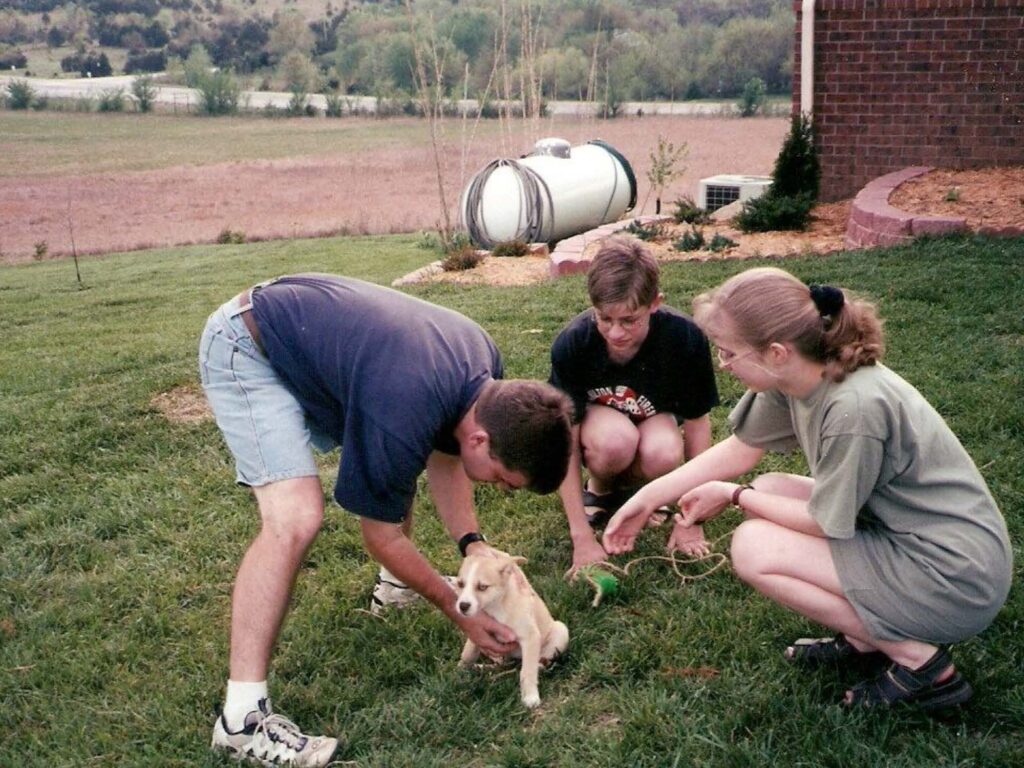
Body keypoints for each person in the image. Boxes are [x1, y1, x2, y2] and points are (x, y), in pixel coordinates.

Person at [199, 274, 573, 765]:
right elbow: (381, 534)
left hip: (308, 333)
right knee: (295, 517)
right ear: (483, 441)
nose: (501, 489)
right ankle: (241, 722)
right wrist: (454, 608)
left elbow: (445, 454)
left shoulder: (485, 375)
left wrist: (471, 544)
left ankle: (393, 592)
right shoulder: (405, 402)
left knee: (400, 456)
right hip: (246, 344)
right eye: (506, 480)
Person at [603, 266, 1011, 709]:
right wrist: (646, 498)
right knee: (771, 484)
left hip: (953, 576)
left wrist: (735, 494)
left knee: (754, 546)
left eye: (729, 353)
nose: (723, 364)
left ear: (776, 352)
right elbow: (742, 451)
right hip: (909, 540)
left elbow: (824, 523)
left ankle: (924, 666)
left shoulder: (854, 407)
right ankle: (865, 641)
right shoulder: (797, 376)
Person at [549, 236, 719, 573]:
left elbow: (697, 423)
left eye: (630, 320)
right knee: (615, 441)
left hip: (653, 421)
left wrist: (691, 519)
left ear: (655, 303)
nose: (615, 333)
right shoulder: (574, 344)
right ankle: (599, 491)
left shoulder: (685, 338)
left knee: (665, 452)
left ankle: (647, 495)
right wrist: (581, 537)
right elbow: (566, 440)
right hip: (603, 430)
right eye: (604, 319)